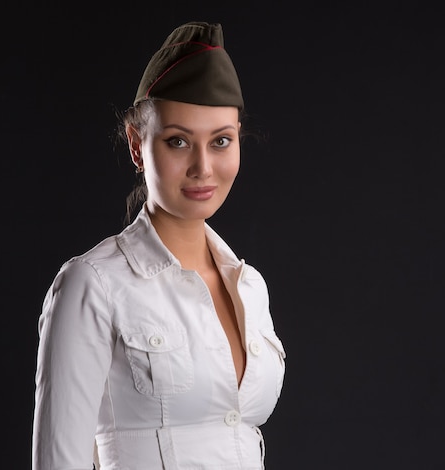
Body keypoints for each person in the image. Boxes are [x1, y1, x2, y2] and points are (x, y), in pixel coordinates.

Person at [31, 21, 286, 470]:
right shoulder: (94, 285)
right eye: (178, 142)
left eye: (221, 141)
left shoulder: (251, 288)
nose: (203, 167)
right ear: (137, 145)